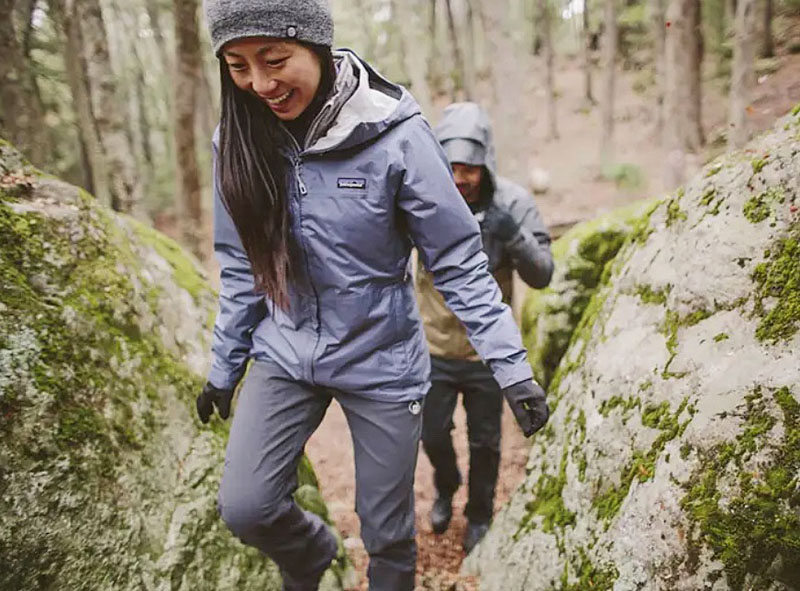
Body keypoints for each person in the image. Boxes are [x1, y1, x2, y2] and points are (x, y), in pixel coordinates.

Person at [195, 2, 549, 589]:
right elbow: (241, 264)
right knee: (246, 507)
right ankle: (312, 553)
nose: (259, 83)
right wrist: (224, 365)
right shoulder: (235, 139)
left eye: (274, 59)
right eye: (237, 66)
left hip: (381, 361)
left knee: (387, 535)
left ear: (316, 45)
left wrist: (510, 368)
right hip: (285, 351)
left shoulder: (396, 135)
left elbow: (457, 258)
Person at [415, 102, 554, 553]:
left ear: (486, 164)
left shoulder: (513, 202)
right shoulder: (421, 197)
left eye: (469, 168)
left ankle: (479, 515)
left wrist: (510, 233)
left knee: (487, 443)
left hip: (487, 354)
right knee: (432, 434)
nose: (459, 178)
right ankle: (446, 485)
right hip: (432, 348)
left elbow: (542, 274)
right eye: (451, 166)